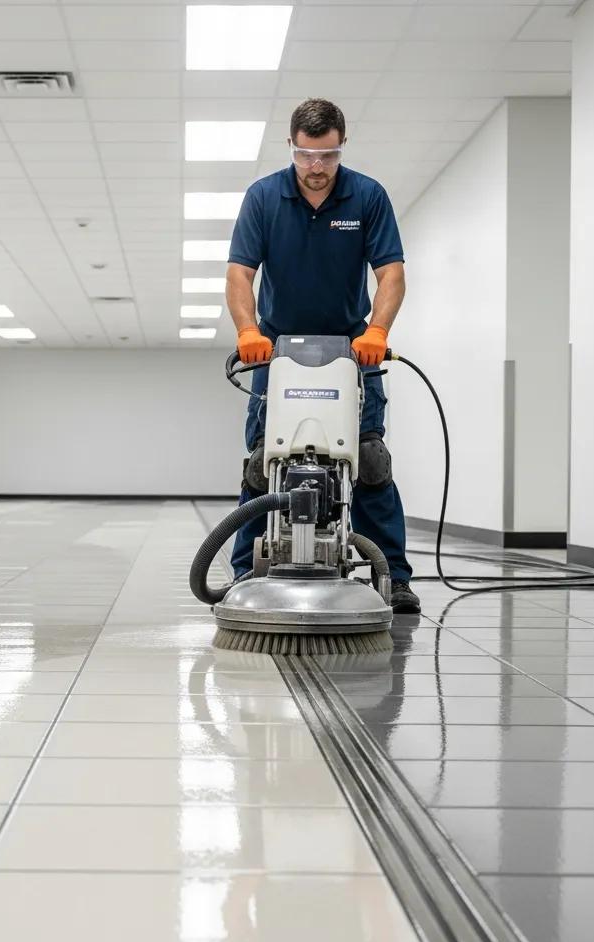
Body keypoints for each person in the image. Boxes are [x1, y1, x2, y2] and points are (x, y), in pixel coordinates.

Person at [225, 97, 420, 613]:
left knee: (370, 462)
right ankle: (245, 572)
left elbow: (391, 273)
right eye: (306, 155)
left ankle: (394, 576)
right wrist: (248, 330)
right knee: (261, 466)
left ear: (341, 148)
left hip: (351, 348)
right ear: (291, 147)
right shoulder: (264, 197)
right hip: (277, 348)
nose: (316, 168)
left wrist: (377, 329)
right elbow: (240, 273)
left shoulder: (368, 197)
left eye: (327, 156)